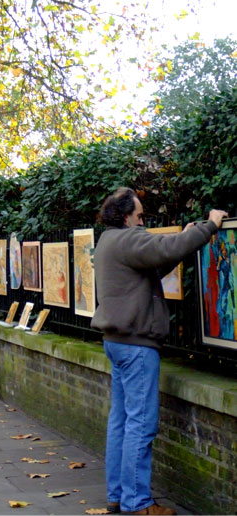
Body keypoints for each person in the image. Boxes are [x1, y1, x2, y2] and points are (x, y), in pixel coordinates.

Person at [91, 187, 227, 516]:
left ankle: (118, 497)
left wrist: (187, 238)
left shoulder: (109, 241)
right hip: (136, 347)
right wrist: (209, 226)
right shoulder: (127, 238)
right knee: (140, 423)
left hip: (117, 343)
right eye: (139, 215)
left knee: (121, 422)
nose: (143, 220)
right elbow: (164, 247)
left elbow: (153, 264)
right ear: (125, 216)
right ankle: (137, 504)